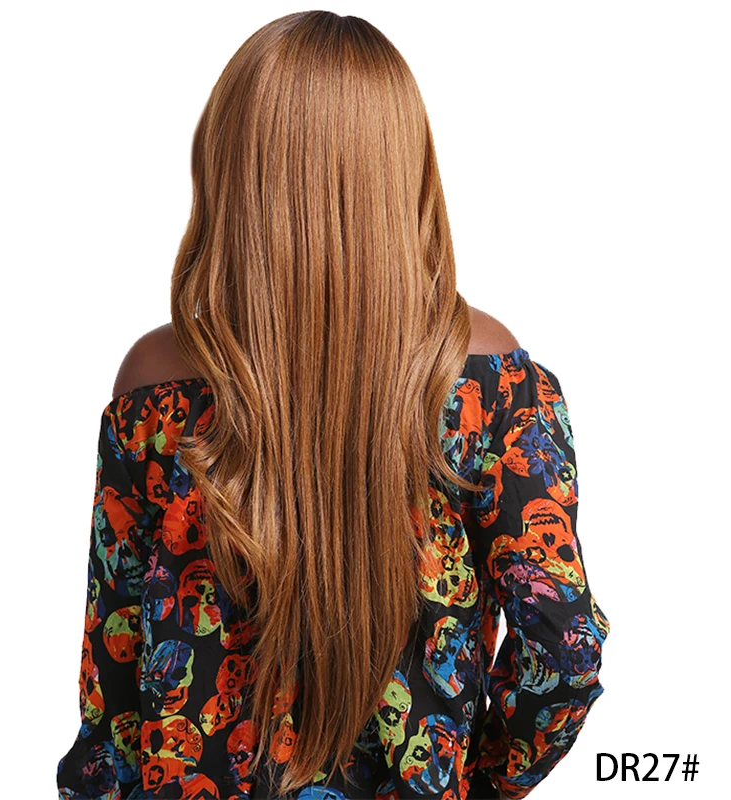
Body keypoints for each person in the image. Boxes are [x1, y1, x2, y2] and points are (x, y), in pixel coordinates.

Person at [56, 11, 609, 799]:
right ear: (405, 166)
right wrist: (479, 781)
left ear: (227, 161)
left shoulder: (155, 389)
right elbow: (562, 649)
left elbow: (111, 683)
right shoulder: (491, 385)